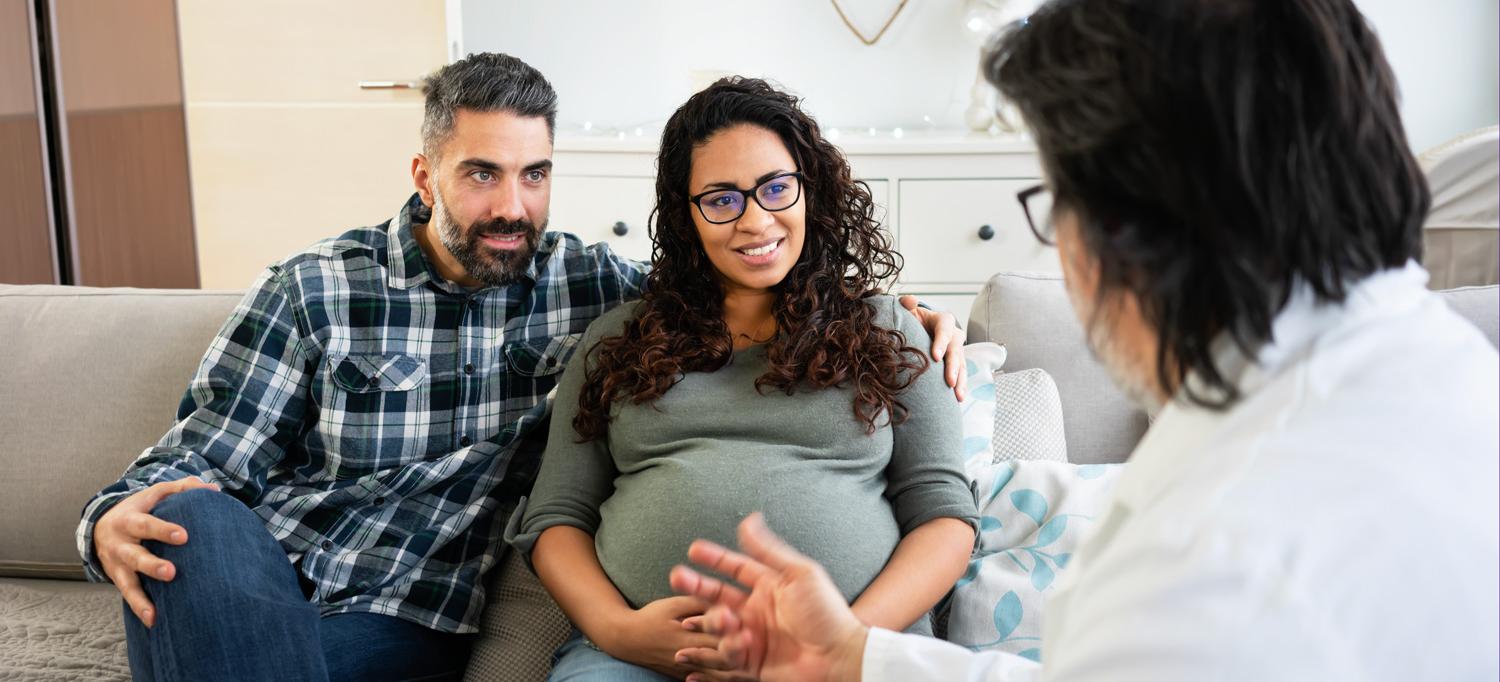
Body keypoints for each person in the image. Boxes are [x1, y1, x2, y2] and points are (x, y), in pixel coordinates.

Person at [666, 0, 1500, 680]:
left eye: (1056, 200)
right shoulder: (1459, 381)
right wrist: (860, 657)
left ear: (1135, 227)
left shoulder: (1200, 568)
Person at [75, 54, 966, 681]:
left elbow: (747, 264)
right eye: (482, 175)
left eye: (534, 174)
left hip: (406, 620)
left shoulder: (593, 290)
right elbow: (197, 458)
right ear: (424, 174)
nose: (512, 206)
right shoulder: (315, 290)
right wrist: (109, 520)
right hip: (272, 582)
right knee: (192, 517)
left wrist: (912, 315)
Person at [505, 77, 979, 681]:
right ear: (687, 217)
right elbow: (556, 517)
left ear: (812, 192)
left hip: (852, 656)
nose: (756, 221)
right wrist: (617, 630)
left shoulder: (889, 332)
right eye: (722, 199)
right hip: (635, 662)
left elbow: (944, 515)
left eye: (777, 189)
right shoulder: (618, 340)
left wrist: (837, 647)